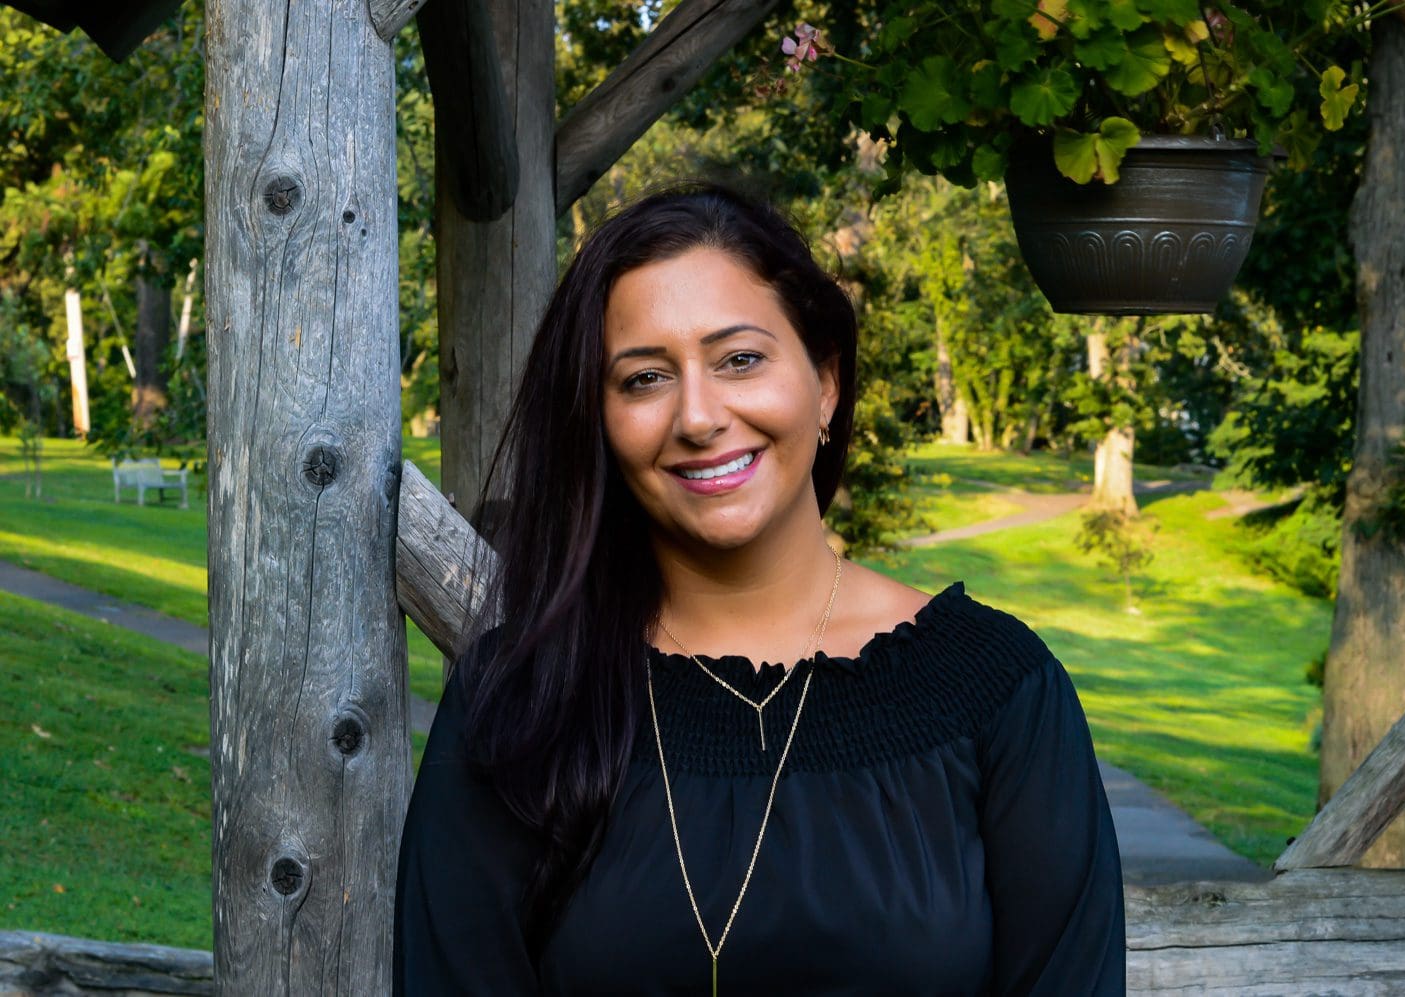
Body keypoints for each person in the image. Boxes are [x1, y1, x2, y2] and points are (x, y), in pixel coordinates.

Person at [394, 182, 1125, 995]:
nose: (699, 416)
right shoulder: (521, 696)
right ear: (598, 421)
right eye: (643, 378)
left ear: (827, 382)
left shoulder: (996, 689)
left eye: (740, 358)